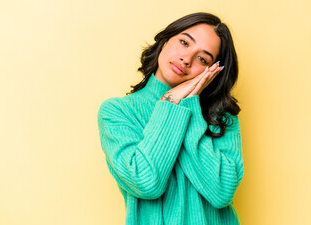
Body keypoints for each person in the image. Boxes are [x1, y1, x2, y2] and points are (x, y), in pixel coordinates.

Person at [97, 12, 244, 225]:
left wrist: (187, 104)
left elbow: (221, 192)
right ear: (165, 41)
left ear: (211, 72)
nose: (186, 59)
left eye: (203, 58)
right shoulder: (117, 112)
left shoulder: (221, 117)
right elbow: (146, 183)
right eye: (184, 42)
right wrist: (170, 101)